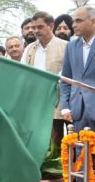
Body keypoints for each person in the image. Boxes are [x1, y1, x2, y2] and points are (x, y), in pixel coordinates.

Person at [22, 11, 68, 146]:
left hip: (58, 100)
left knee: (57, 138)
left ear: (51, 26)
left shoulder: (65, 46)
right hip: (36, 101)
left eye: (40, 27)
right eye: (34, 27)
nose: (36, 31)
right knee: (38, 139)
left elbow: (69, 73)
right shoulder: (30, 48)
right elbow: (23, 73)